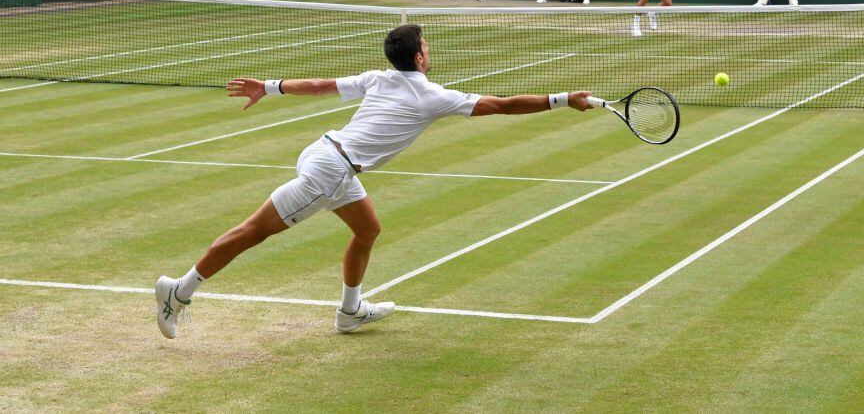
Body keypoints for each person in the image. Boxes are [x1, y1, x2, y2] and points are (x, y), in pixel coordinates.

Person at [155, 25, 594, 338]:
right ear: (419, 57)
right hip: (331, 170)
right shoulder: (434, 96)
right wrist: (562, 100)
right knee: (252, 232)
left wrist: (269, 87)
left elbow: (320, 85)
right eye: (427, 45)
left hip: (329, 155)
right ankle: (180, 291)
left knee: (368, 230)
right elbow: (502, 105)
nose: (429, 49)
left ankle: (350, 313)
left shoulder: (377, 78)